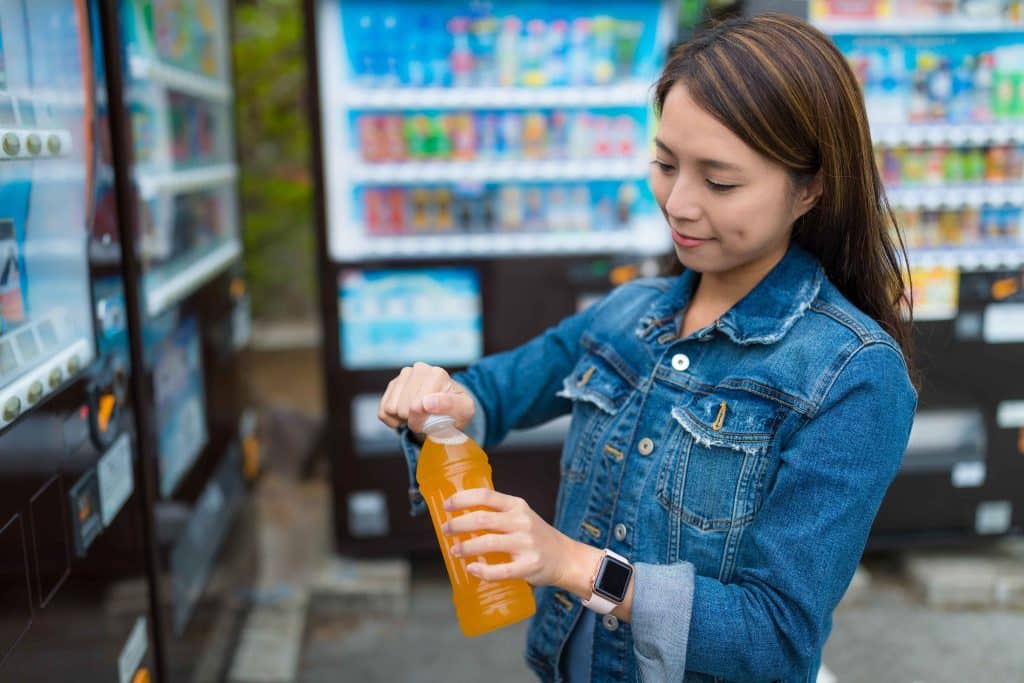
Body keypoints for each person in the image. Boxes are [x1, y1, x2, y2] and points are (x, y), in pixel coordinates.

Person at [378, 13, 917, 683]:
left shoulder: (852, 375)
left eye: (719, 181)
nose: (679, 204)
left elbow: (776, 636)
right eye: (665, 164)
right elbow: (488, 395)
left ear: (810, 187)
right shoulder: (629, 311)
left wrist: (571, 563)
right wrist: (435, 397)